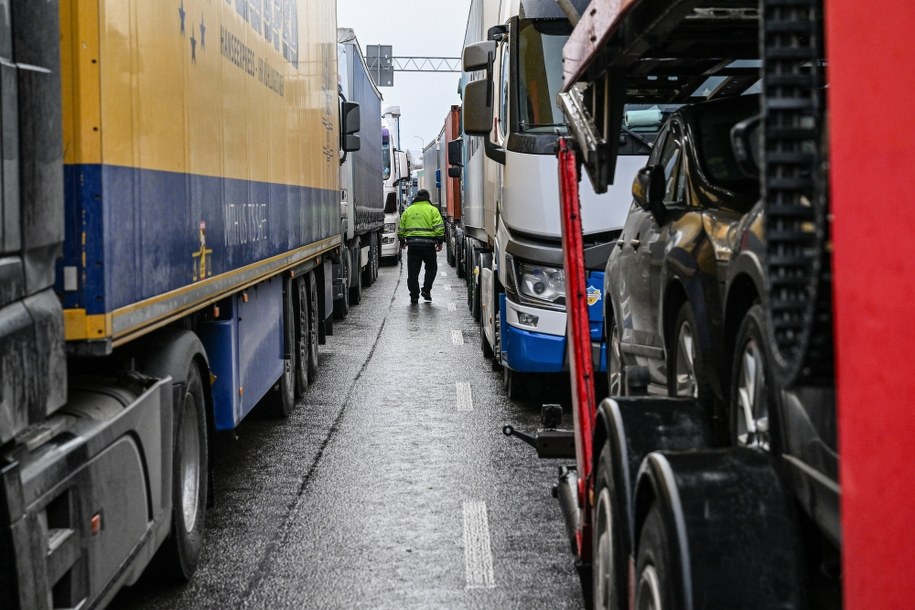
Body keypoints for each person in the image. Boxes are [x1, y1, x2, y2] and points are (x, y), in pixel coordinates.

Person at [397, 189, 445, 303]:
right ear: (428, 198)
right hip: (429, 245)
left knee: (413, 272)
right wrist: (440, 241)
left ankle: (414, 295)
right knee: (431, 268)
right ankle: (426, 290)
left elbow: (401, 227)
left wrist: (401, 240)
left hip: (413, 246)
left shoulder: (408, 211)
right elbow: (439, 227)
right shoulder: (433, 210)